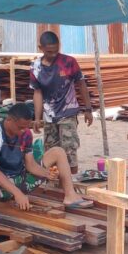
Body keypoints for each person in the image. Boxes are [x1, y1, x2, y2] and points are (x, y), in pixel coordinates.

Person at [0, 103, 93, 243]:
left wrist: (46, 173)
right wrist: (17, 194)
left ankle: (70, 196)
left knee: (58, 152)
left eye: (26, 127)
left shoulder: (25, 134)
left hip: (20, 180)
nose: (24, 131)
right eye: (20, 127)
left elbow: (30, 164)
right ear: (9, 120)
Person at [31, 31, 93, 174]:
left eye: (56, 50)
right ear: (41, 48)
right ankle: (55, 183)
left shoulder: (69, 62)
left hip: (68, 113)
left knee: (69, 151)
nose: (53, 54)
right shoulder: (35, 67)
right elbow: (37, 92)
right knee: (51, 153)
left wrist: (88, 109)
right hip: (49, 116)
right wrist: (37, 118)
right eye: (49, 52)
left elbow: (81, 84)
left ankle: (70, 182)